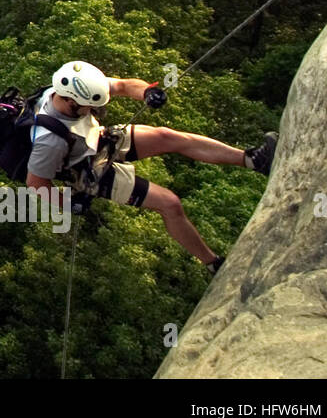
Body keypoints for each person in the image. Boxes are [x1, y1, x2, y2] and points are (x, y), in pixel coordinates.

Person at [27, 61, 276, 274]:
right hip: (87, 171)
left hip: (96, 141)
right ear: (71, 102)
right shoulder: (49, 142)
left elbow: (123, 85)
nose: (95, 110)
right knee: (170, 203)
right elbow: (36, 183)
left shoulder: (71, 86)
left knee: (167, 136)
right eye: (89, 108)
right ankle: (214, 264)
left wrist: (147, 92)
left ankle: (253, 160)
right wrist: (67, 203)